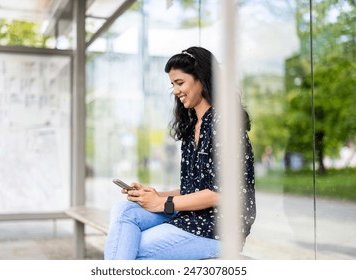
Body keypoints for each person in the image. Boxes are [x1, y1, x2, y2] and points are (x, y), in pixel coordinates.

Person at [104, 46, 256, 260]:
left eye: (180, 83)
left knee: (131, 249)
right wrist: (156, 195)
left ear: (201, 79)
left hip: (219, 229)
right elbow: (192, 189)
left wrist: (162, 204)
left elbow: (220, 192)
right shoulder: (192, 125)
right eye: (172, 85)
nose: (175, 91)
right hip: (192, 215)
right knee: (124, 211)